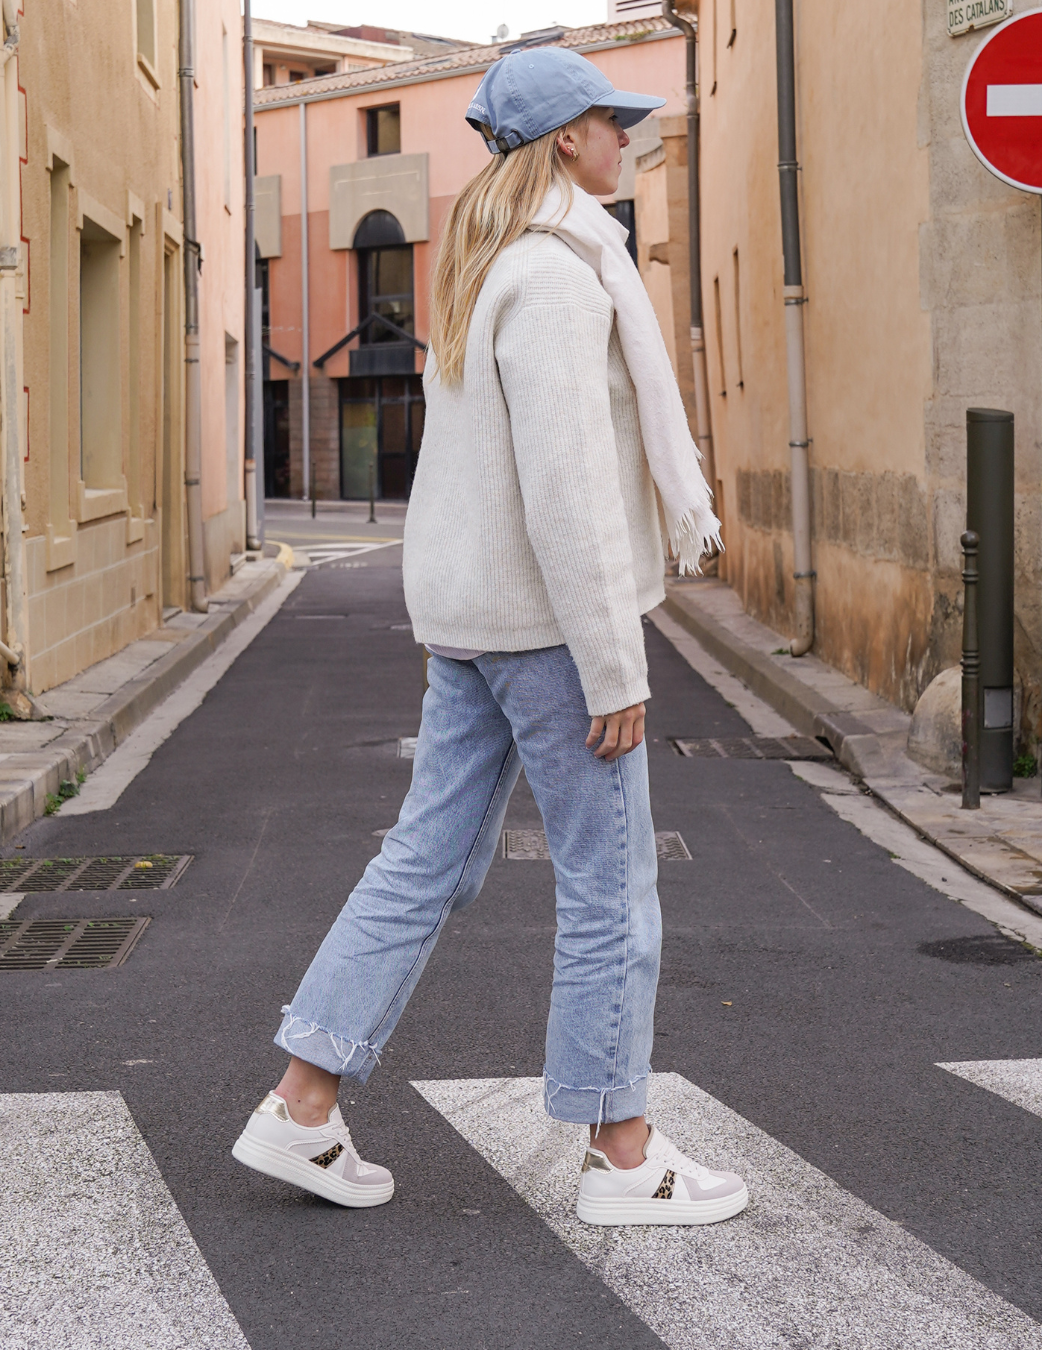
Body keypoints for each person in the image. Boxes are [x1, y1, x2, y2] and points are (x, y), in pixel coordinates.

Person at [233, 46, 749, 1227]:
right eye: (614, 121)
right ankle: (624, 1153)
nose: (629, 137)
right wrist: (614, 659)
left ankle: (302, 1103)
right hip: (552, 629)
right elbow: (565, 490)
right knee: (609, 885)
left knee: (426, 862)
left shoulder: (485, 268)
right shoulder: (565, 280)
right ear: (568, 138)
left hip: (474, 624)